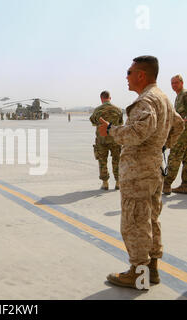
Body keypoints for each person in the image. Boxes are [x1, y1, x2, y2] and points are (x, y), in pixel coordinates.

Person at [98, 56, 184, 289]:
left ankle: (138, 273)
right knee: (150, 219)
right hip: (153, 169)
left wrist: (111, 130)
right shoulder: (164, 98)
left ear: (141, 75)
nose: (126, 76)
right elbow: (178, 125)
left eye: (129, 72)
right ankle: (152, 269)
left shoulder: (146, 101)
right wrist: (161, 147)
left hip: (139, 172)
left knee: (135, 221)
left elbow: (137, 133)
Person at [89, 91, 123, 190]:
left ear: (101, 98)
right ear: (110, 98)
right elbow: (120, 123)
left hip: (102, 140)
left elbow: (93, 122)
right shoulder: (118, 110)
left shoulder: (97, 110)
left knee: (102, 161)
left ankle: (105, 183)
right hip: (115, 139)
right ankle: (118, 182)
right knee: (117, 160)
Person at [163, 75, 187, 194]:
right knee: (185, 158)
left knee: (174, 157)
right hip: (182, 132)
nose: (174, 85)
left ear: (182, 83)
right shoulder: (179, 96)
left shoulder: (185, 94)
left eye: (176, 83)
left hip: (183, 133)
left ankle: (166, 184)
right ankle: (185, 185)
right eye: (172, 83)